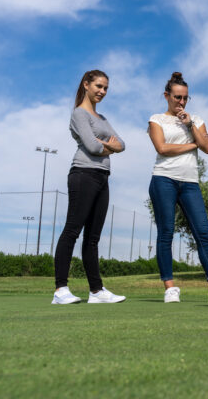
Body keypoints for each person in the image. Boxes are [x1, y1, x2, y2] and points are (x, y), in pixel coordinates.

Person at [148, 73, 208, 304]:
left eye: (185, 98)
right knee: (166, 233)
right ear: (167, 96)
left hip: (190, 183)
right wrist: (193, 144)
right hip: (163, 179)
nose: (181, 102)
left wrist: (190, 125)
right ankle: (170, 288)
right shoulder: (156, 119)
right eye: (177, 97)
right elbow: (162, 148)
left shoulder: (196, 120)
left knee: (203, 233)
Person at [52, 70, 127, 304]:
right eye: (98, 86)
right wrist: (108, 145)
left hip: (103, 176)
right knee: (72, 231)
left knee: (93, 238)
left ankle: (96, 291)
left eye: (106, 88)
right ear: (86, 84)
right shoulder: (79, 114)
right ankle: (60, 290)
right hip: (83, 174)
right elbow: (93, 149)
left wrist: (103, 144)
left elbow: (123, 144)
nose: (102, 91)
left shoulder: (102, 119)